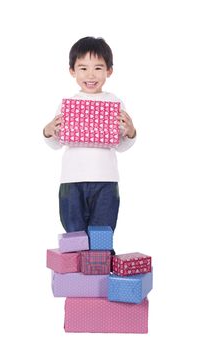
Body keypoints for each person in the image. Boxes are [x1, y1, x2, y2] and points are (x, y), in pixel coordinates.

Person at [43, 36, 136, 237]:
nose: (91, 75)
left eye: (98, 68)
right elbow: (56, 143)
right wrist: (49, 130)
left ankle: (100, 267)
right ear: (72, 71)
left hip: (106, 179)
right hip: (71, 179)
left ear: (109, 71)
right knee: (74, 234)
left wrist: (130, 132)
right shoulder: (68, 103)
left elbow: (120, 146)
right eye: (83, 68)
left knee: (102, 233)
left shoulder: (115, 102)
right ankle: (76, 268)